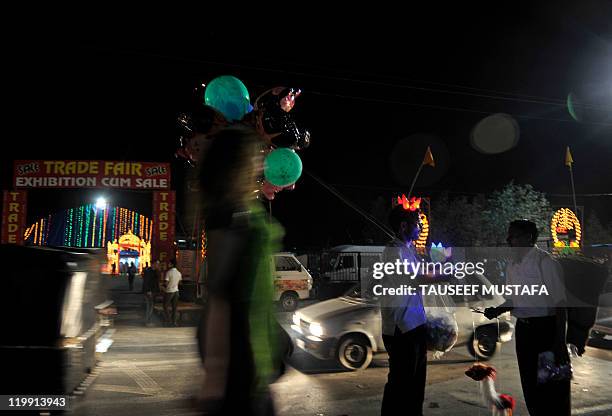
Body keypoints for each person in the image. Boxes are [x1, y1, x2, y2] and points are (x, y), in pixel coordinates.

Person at [196, 126, 286, 415]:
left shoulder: (245, 207)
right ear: (238, 163)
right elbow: (219, 294)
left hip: (254, 338)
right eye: (255, 156)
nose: (261, 162)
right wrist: (214, 378)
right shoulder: (226, 213)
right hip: (239, 345)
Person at [484, 220, 569, 415]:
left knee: (551, 390)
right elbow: (513, 299)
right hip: (524, 331)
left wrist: (560, 342)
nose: (509, 240)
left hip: (545, 332)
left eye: (513, 236)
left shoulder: (546, 263)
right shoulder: (512, 265)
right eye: (509, 235)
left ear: (528, 238)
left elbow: (561, 305)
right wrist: (496, 310)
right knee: (530, 387)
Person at [379, 204, 428, 416]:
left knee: (415, 384)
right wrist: (445, 274)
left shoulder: (407, 250)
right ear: (403, 226)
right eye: (417, 224)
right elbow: (413, 280)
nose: (420, 228)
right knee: (402, 384)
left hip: (415, 324)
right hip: (402, 328)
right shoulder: (394, 252)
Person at [164, 258, 182, 326]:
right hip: (176, 291)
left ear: (171, 264)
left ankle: (169, 320)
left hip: (169, 291)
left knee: (165, 306)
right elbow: (180, 282)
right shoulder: (179, 273)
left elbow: (166, 283)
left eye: (169, 263)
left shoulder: (169, 272)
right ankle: (174, 322)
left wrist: (163, 286)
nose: (168, 264)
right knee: (174, 307)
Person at [142, 262, 158, 326]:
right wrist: (148, 290)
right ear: (153, 265)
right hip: (149, 291)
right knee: (149, 306)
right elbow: (146, 282)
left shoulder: (153, 271)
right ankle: (147, 321)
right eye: (156, 264)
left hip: (151, 291)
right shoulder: (149, 271)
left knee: (150, 306)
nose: (157, 265)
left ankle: (148, 321)